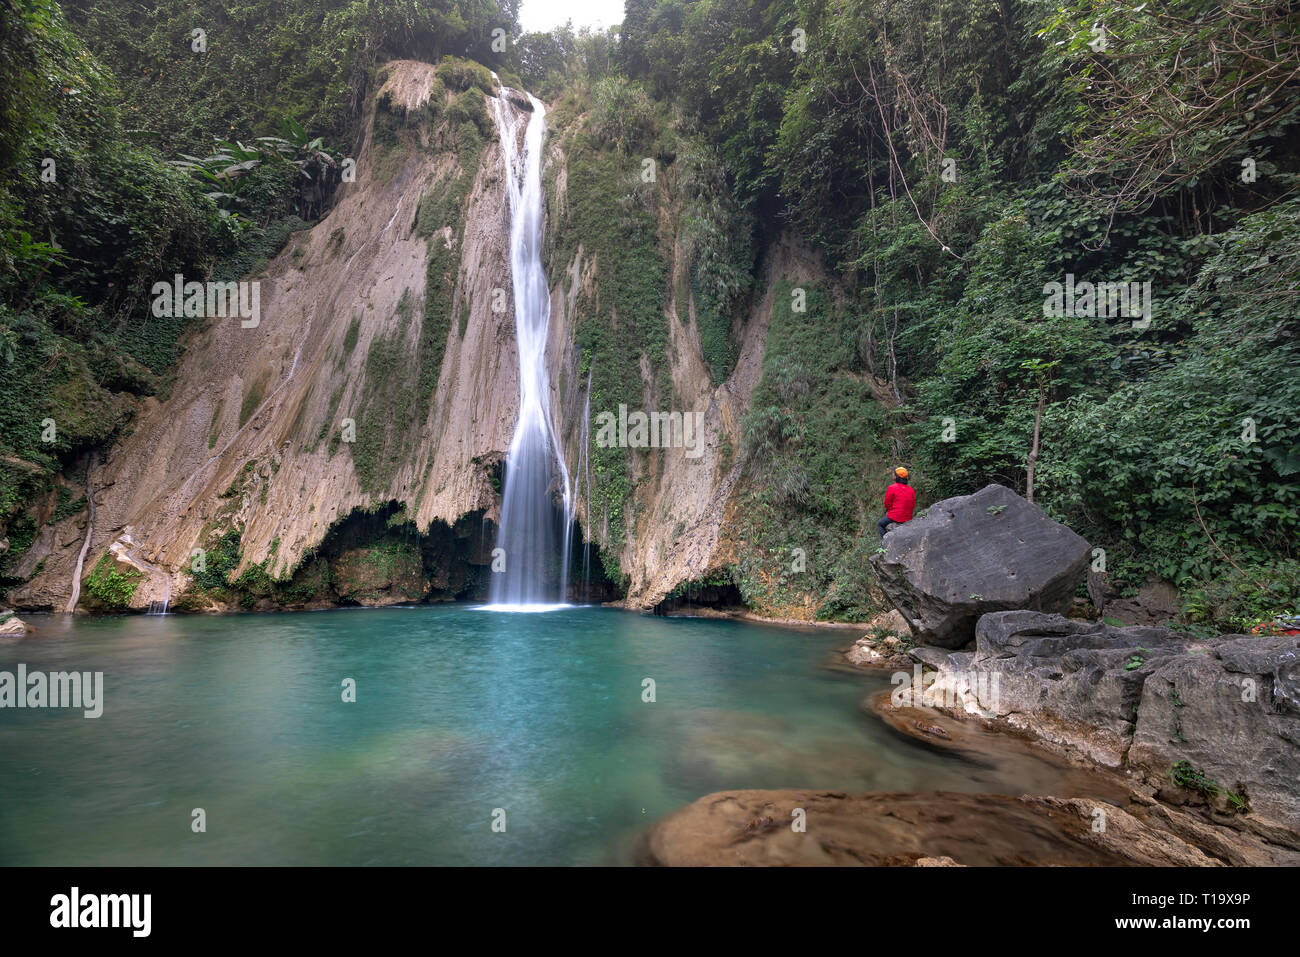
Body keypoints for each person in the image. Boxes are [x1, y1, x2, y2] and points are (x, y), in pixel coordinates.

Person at [877, 467, 915, 538]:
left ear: (896, 477)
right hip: (908, 517)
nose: (892, 475)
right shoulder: (911, 490)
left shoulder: (892, 488)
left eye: (894, 474)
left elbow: (887, 504)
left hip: (896, 516)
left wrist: (891, 511)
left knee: (880, 524)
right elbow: (912, 505)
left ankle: (885, 542)